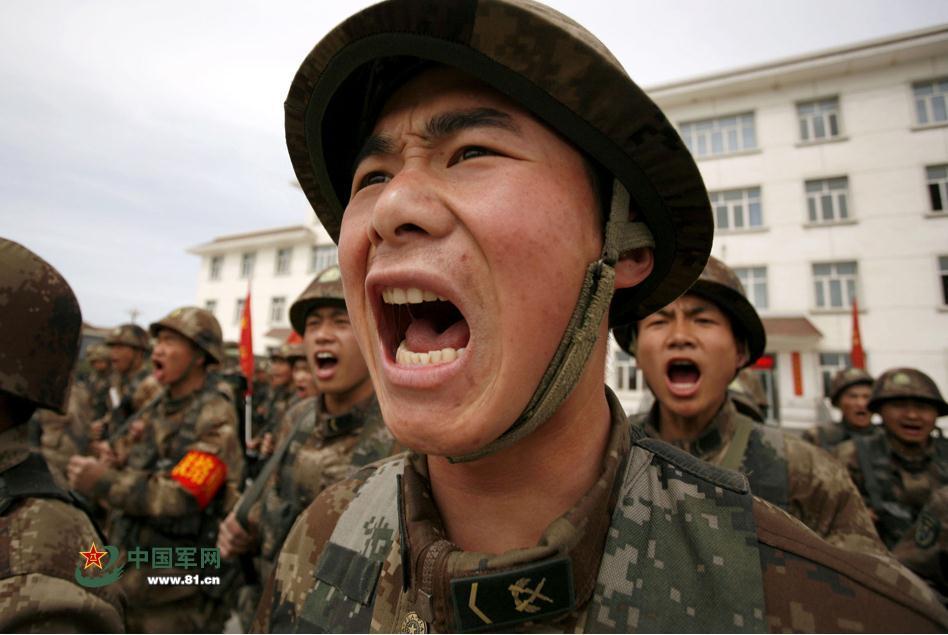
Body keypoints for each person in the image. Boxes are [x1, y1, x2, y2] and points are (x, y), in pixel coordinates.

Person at [254, 1, 947, 631]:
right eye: (371, 178)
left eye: (471, 153)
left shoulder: (833, 608)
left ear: (623, 246)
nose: (394, 207)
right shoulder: (320, 540)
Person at [615, 256, 885, 555]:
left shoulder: (806, 473)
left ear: (740, 353)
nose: (680, 337)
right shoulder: (608, 454)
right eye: (659, 321)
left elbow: (875, 591)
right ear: (636, 351)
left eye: (703, 320)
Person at [218, 265, 397, 630]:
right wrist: (247, 529)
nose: (322, 336)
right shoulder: (297, 417)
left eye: (340, 321)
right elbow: (275, 497)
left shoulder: (402, 430)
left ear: (372, 330)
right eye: (313, 324)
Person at [68, 306, 245, 633]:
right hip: (132, 574)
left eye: (170, 341)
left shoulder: (216, 416)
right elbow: (140, 457)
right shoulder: (158, 404)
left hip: (176, 592)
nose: (158, 349)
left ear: (199, 356)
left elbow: (184, 495)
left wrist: (103, 481)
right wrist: (114, 457)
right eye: (158, 340)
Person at [0, 237, 125, 632]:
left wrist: (105, 478)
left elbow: (185, 492)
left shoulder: (44, 565)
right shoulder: (137, 397)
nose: (107, 360)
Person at [835, 367, 948, 549]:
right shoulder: (848, 456)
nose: (912, 415)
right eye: (899, 406)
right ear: (879, 410)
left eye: (923, 407)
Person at [803, 367, 877, 451]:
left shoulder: (888, 437)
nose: (861, 403)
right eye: (853, 396)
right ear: (837, 402)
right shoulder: (818, 437)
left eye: (866, 397)